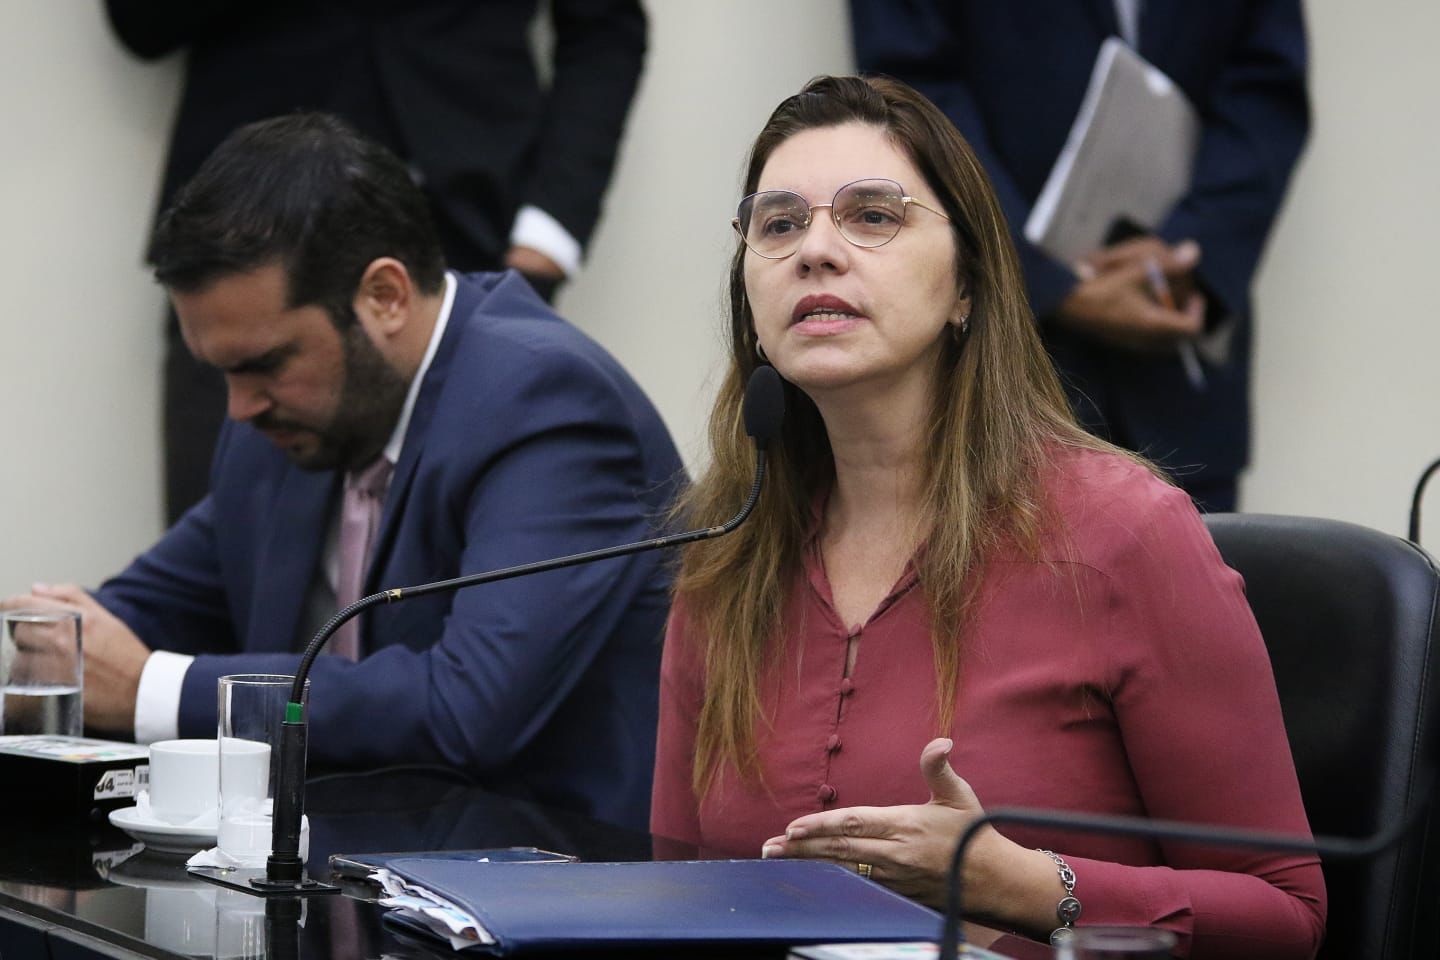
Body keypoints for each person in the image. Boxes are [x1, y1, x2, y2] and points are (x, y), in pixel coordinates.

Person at [650, 77, 1324, 956]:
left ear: (966, 283)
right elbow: (674, 895)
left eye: (872, 215)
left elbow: (1287, 918)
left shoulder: (1126, 536)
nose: (814, 250)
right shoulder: (725, 552)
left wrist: (1022, 885)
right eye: (778, 225)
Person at [3, 113, 683, 830]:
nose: (239, 407)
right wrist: (59, 651)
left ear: (384, 296)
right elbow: (134, 617)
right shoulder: (287, 422)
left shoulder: (543, 402)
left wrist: (153, 690)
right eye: (222, 373)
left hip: (560, 867)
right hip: (349, 858)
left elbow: (464, 710)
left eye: (263, 364)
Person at [103, 0, 649, 522]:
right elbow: (143, 25)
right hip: (237, 260)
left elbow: (605, 30)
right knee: (227, 547)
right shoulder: (238, 365)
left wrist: (546, 242)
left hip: (466, 234)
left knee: (467, 539)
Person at [849, 0, 1311, 512]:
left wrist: (1189, 252)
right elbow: (910, 91)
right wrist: (1036, 279)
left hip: (1178, 358)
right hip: (1001, 360)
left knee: (1199, 559)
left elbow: (1267, 85)